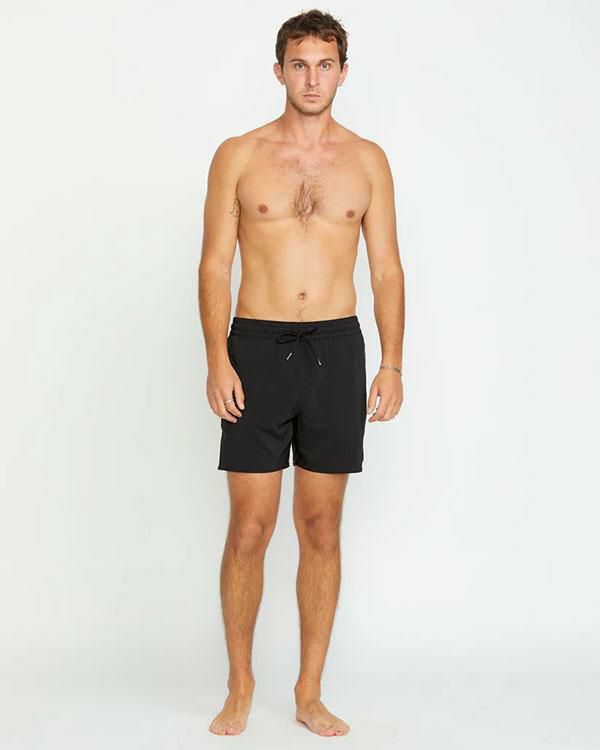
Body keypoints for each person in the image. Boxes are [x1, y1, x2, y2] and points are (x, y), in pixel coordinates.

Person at [198, 8, 404, 737]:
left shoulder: (367, 160)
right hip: (255, 347)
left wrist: (393, 362)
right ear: (278, 70)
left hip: (337, 352)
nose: (311, 78)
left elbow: (386, 268)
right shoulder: (239, 155)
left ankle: (309, 692)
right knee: (249, 527)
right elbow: (215, 264)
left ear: (342, 72)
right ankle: (240, 684)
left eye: (324, 65)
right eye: (299, 65)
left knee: (321, 526)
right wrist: (217, 356)